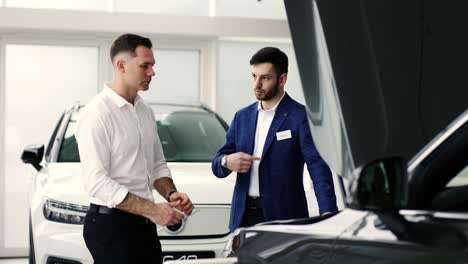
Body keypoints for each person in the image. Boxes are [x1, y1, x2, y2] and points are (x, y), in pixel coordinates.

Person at [75, 33, 193, 264]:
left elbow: (157, 164)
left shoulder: (144, 111)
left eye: (152, 65)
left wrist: (171, 194)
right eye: (144, 65)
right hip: (111, 228)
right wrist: (153, 210)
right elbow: (96, 181)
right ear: (121, 65)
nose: (152, 72)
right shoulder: (97, 114)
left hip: (144, 227)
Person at [212, 47, 338, 232]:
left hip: (285, 219)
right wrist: (226, 161)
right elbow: (217, 164)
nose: (257, 84)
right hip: (243, 218)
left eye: (265, 78)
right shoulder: (242, 117)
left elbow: (318, 168)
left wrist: (328, 212)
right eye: (254, 76)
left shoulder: (301, 117)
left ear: (282, 79)